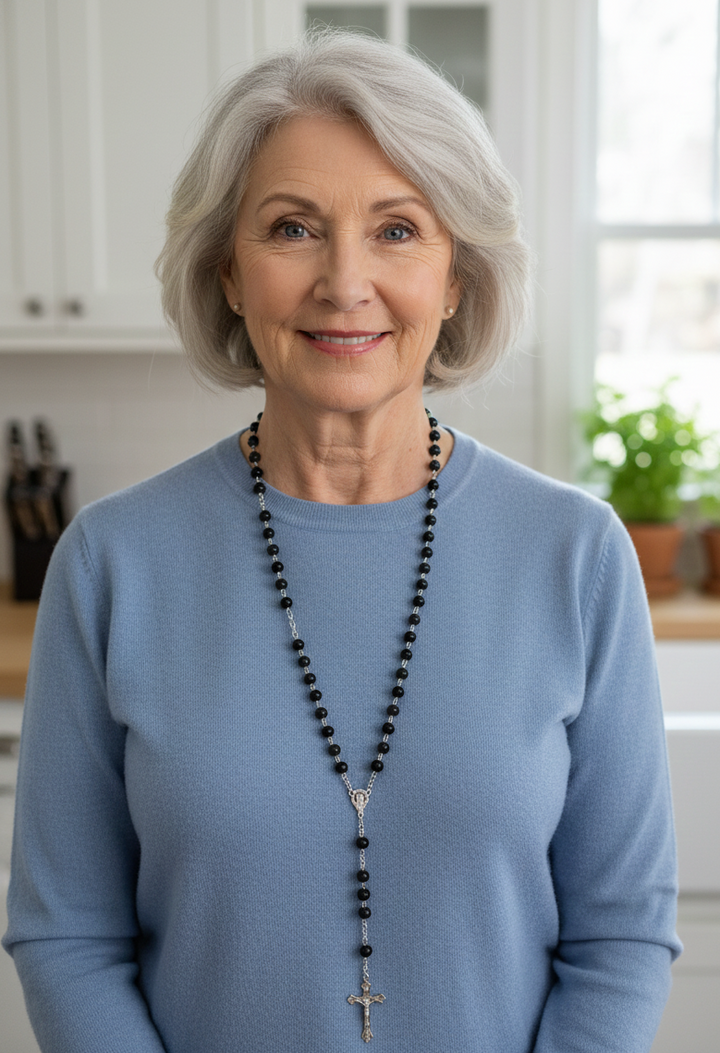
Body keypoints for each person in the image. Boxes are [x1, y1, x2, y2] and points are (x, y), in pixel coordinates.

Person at [3, 29, 680, 1053]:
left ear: (457, 277)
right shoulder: (110, 564)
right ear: (229, 273)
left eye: (399, 231)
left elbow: (622, 935)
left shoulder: (578, 555)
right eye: (292, 228)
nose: (345, 280)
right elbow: (66, 936)